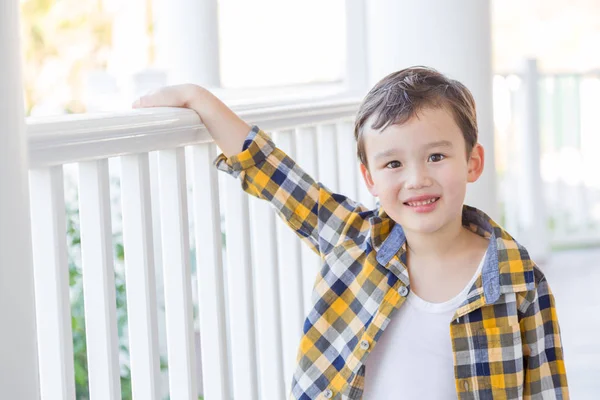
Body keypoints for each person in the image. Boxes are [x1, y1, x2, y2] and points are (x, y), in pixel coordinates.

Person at [133, 66, 568, 399]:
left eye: (436, 156)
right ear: (370, 178)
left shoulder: (517, 279)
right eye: (393, 164)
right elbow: (273, 174)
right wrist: (198, 98)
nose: (416, 179)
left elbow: (547, 388)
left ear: (473, 162)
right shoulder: (353, 239)